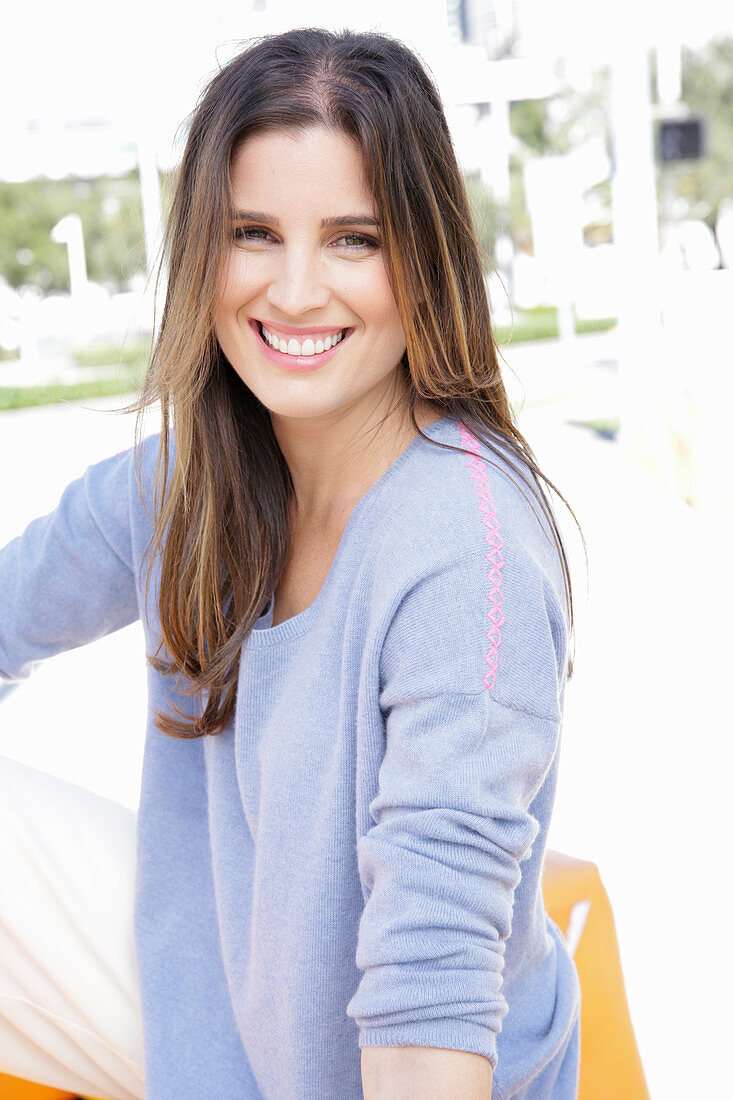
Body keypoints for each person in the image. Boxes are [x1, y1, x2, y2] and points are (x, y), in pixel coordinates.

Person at [0, 26, 582, 1100]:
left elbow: (430, 986)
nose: (296, 289)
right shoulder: (193, 478)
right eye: (254, 233)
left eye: (353, 238)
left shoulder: (463, 554)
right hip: (211, 1013)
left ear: (424, 254)